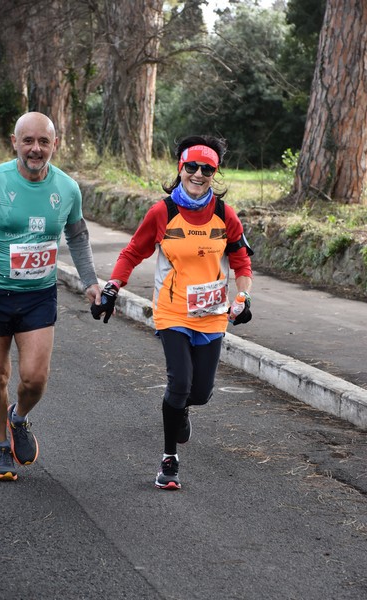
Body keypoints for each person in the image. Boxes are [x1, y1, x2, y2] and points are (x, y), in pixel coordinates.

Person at [91, 135, 253, 490]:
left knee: (200, 393)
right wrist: (112, 287)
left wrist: (243, 298)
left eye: (207, 168)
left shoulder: (226, 216)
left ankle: (182, 408)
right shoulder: (162, 212)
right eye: (191, 166)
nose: (198, 174)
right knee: (179, 382)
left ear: (215, 173)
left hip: (211, 314)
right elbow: (132, 252)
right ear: (180, 169)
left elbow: (242, 262)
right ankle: (169, 460)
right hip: (172, 312)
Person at [0, 111, 101, 481]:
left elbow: (78, 237)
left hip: (38, 294)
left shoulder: (66, 188)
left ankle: (18, 418)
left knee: (35, 378)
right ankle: (1, 446)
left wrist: (91, 282)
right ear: (14, 142)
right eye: (29, 140)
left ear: (55, 145)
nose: (36, 149)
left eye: (44, 141)